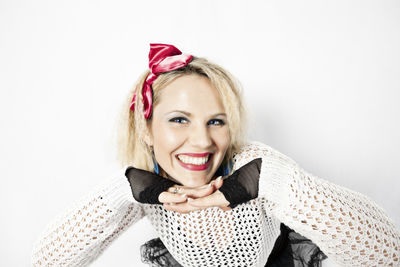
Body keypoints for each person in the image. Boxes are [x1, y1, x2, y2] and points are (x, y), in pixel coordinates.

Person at [31, 43, 400, 267]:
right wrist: (126, 189)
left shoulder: (252, 164)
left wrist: (272, 181)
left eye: (216, 121)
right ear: (145, 129)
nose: (202, 142)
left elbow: (387, 255)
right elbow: (46, 261)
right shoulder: (148, 188)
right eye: (179, 119)